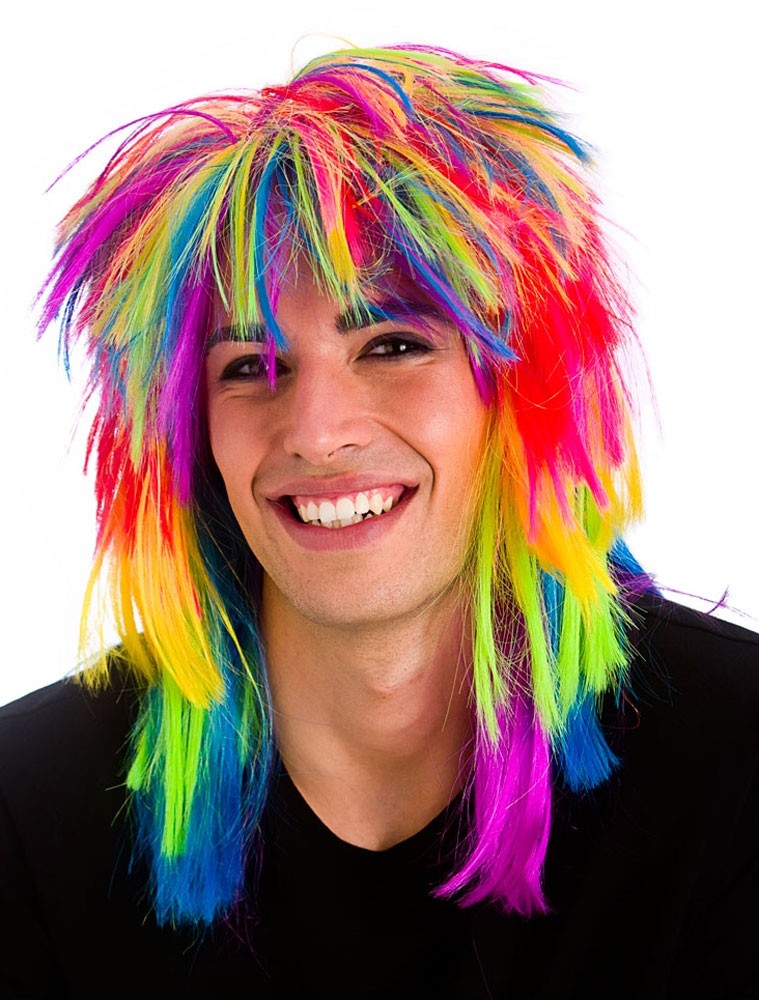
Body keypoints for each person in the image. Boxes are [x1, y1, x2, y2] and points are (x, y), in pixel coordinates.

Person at [0, 44, 756, 999]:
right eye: (248, 365)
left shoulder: (731, 760)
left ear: (521, 390)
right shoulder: (33, 802)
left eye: (393, 345)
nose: (316, 432)